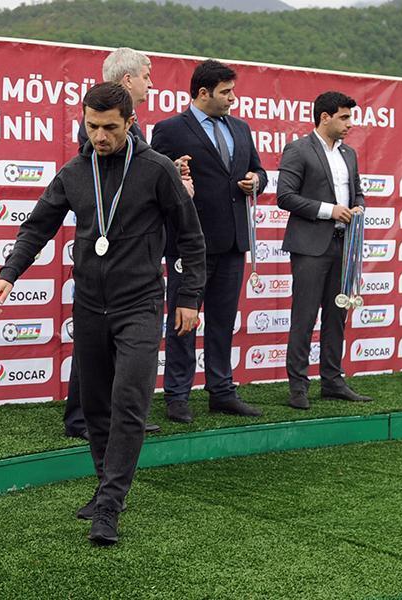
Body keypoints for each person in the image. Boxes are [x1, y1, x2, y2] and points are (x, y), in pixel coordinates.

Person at [0, 83, 206, 545]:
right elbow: (38, 226)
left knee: (129, 400)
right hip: (89, 304)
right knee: (95, 406)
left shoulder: (157, 169)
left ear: (130, 122)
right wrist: (10, 272)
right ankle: (107, 485)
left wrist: (189, 296)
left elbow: (190, 237)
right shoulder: (74, 171)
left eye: (110, 127)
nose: (100, 136)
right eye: (92, 126)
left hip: (140, 303)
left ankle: (109, 504)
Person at [65, 47, 189, 439]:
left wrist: (170, 180)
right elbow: (106, 183)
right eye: (146, 76)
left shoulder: (138, 138)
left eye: (108, 129)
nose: (151, 84)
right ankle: (87, 417)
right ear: (127, 80)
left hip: (130, 269)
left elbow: (139, 178)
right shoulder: (100, 128)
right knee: (94, 353)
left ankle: (107, 416)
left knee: (108, 354)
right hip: (105, 259)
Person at [151, 59, 267, 423]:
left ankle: (222, 391)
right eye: (226, 92)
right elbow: (155, 178)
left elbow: (259, 170)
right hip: (190, 244)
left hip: (232, 242)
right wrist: (175, 171)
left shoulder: (241, 128)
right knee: (183, 322)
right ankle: (177, 395)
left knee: (222, 322)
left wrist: (256, 181)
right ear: (203, 93)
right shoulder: (170, 129)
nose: (233, 98)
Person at [276, 90, 374, 410]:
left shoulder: (349, 154)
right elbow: (285, 196)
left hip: (343, 246)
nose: (350, 124)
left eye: (350, 117)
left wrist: (358, 207)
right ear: (325, 117)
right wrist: (329, 211)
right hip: (310, 246)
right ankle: (298, 387)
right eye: (344, 117)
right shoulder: (298, 149)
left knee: (336, 317)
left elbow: (357, 192)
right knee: (304, 318)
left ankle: (332, 381)